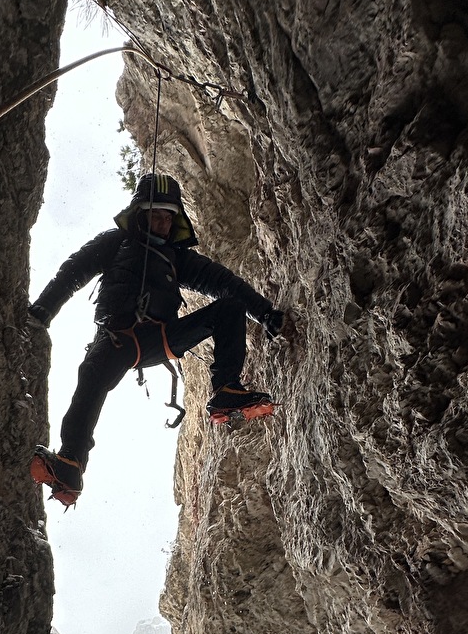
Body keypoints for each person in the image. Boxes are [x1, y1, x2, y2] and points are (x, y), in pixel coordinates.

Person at [28, 173, 285, 506]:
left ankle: (226, 392)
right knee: (92, 376)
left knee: (230, 308)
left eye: (169, 217)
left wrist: (264, 312)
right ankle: (70, 465)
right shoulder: (115, 243)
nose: (164, 222)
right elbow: (74, 271)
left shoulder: (178, 259)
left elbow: (225, 283)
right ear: (140, 215)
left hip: (157, 337)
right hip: (116, 336)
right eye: (156, 215)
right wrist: (44, 309)